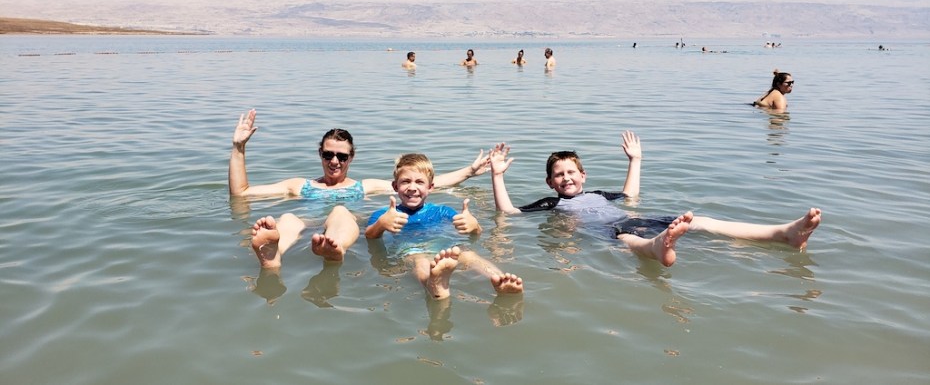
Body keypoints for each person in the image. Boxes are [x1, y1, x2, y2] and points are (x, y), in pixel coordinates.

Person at [488, 132, 822, 267]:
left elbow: (630, 195)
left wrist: (635, 160)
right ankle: (657, 247)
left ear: (583, 175)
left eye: (571, 172)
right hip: (609, 231)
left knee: (700, 221)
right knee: (628, 240)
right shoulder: (552, 204)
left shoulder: (598, 194)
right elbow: (510, 213)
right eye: (559, 175)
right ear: (550, 183)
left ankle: (783, 233)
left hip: (633, 218)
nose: (566, 178)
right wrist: (497, 176)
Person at [230, 109, 489, 270]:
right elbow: (241, 193)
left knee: (341, 212)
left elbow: (427, 184)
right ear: (320, 154)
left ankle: (335, 249)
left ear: (351, 158)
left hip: (343, 230)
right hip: (307, 227)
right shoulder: (299, 186)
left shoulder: (364, 187)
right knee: (287, 218)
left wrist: (469, 171)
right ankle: (273, 257)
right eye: (328, 154)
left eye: (342, 156)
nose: (334, 161)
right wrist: (238, 148)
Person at [366, 153, 524, 300]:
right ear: (395, 186)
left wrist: (474, 225)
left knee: (468, 255)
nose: (412, 187)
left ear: (430, 187)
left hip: (444, 247)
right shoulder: (385, 214)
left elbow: (474, 233)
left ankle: (500, 281)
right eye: (406, 181)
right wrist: (381, 224)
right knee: (420, 261)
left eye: (419, 182)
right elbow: (370, 235)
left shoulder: (442, 211)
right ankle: (433, 283)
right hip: (410, 250)